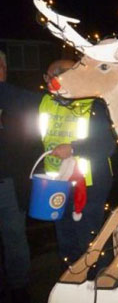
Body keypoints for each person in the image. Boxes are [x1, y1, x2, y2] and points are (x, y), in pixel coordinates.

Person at [41, 60, 116, 275]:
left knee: (89, 241)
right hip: (57, 183)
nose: (46, 82)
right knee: (66, 239)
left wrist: (73, 149)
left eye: (49, 77)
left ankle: (98, 284)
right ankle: (72, 282)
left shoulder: (93, 104)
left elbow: (107, 145)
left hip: (90, 185)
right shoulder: (47, 102)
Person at [0, 50, 40, 303]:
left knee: (14, 236)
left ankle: (19, 287)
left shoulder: (18, 101)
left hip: (9, 184)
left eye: (1, 65)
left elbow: (31, 142)